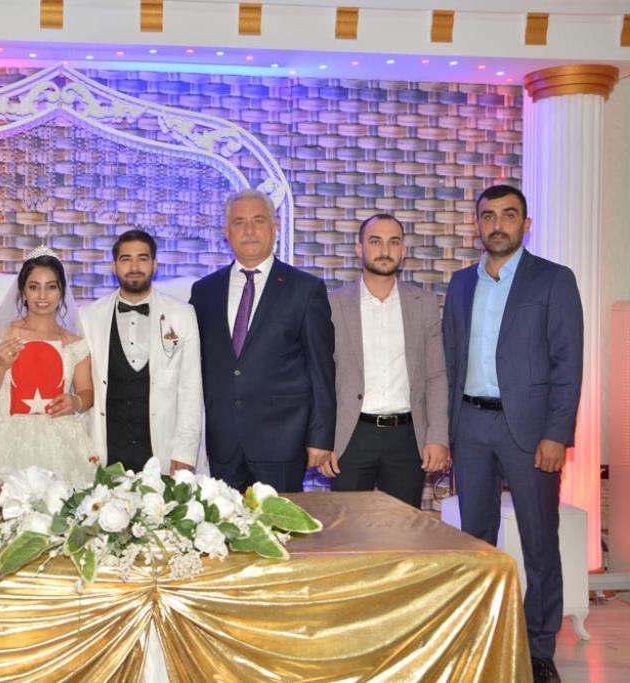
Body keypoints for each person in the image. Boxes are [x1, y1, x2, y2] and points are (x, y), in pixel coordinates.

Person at [443, 184, 582, 683]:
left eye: (508, 215)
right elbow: (451, 359)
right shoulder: (461, 283)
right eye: (488, 216)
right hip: (471, 427)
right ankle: (482, 636)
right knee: (475, 541)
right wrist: (448, 430)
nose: (497, 224)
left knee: (540, 541)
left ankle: (539, 647)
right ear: (476, 225)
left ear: (526, 224)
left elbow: (568, 363)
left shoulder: (553, 280)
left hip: (531, 431)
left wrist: (557, 433)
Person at [189, 189, 335, 492]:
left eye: (258, 220)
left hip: (282, 442)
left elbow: (321, 369)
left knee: (279, 522)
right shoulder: (204, 291)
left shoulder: (305, 289)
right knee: (222, 522)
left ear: (274, 227)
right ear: (227, 232)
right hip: (222, 442)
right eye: (239, 222)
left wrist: (320, 437)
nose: (249, 230)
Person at [0, 247, 96, 491]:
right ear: (22, 291)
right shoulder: (3, 334)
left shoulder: (74, 344)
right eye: (34, 287)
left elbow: (87, 392)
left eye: (51, 287)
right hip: (4, 435)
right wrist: (1, 364)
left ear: (61, 291)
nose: (42, 295)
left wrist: (75, 401)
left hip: (59, 437)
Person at [319, 214, 450, 507]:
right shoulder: (332, 305)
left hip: (407, 438)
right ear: (359, 248)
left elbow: (436, 375)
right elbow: (321, 378)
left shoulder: (424, 304)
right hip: (350, 436)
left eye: (394, 242)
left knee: (404, 529)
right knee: (348, 527)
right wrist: (321, 440)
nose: (385, 250)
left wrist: (438, 436)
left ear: (403, 251)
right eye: (375, 241)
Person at [78, 230, 203, 475]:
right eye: (126, 259)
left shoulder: (183, 314)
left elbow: (190, 389)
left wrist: (185, 453)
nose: (134, 267)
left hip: (162, 452)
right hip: (106, 453)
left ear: (155, 265)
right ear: (114, 266)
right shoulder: (88, 316)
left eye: (142, 259)